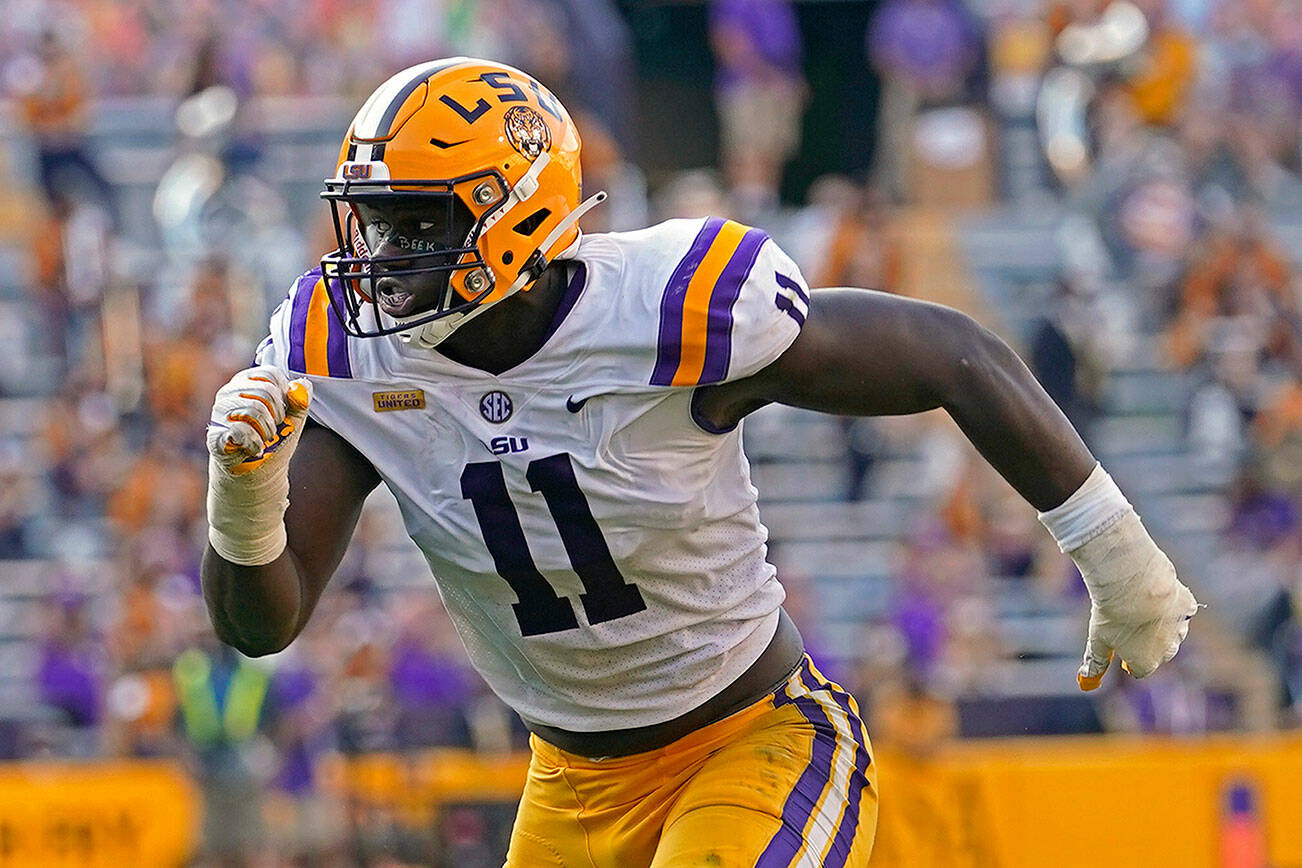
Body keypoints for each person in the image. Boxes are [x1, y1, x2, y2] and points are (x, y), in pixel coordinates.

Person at [202, 58, 1199, 866]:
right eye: (376, 221)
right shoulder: (345, 356)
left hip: (752, 740)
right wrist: (242, 498)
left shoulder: (671, 312)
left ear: (517, 216)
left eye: (420, 223)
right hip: (569, 781)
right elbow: (263, 622)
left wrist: (1117, 557)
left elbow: (954, 352)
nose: (384, 254)